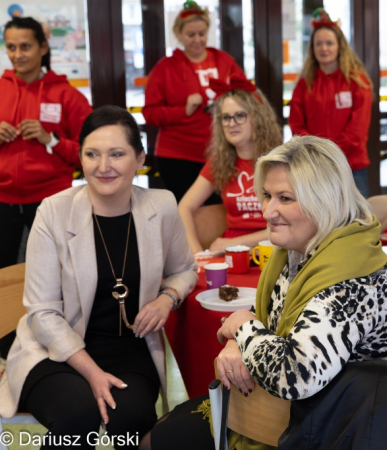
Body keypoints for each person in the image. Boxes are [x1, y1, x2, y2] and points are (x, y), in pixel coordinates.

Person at [144, 135, 387, 450]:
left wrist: (242, 326)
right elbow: (275, 319)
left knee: (158, 440)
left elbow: (294, 375)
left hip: (333, 430)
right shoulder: (301, 251)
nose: (267, 211)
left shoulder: (352, 278)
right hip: (287, 415)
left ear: (324, 200)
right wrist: (240, 340)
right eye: (267, 195)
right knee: (158, 434)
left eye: (285, 198)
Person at [0, 106, 198, 449]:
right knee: (77, 415)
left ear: (140, 158)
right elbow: (43, 313)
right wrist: (92, 374)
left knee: (131, 418)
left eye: (117, 154)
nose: (103, 166)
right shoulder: (53, 211)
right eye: (92, 154)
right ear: (80, 157)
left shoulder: (162, 205)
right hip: (56, 350)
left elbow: (184, 271)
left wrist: (168, 298)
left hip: (129, 349)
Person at [0, 16, 92, 269]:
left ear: (42, 48)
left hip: (52, 198)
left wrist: (50, 140)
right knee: (3, 273)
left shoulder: (67, 95)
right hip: (2, 199)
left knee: (58, 270)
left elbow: (89, 154)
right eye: (11, 47)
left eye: (25, 46)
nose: (17, 54)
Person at [143, 0, 246, 203]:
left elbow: (246, 97)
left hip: (220, 152)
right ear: (179, 35)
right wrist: (184, 110)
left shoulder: (224, 61)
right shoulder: (166, 68)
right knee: (187, 212)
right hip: (177, 156)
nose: (197, 40)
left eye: (202, 34)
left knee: (217, 211)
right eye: (191, 35)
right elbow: (150, 114)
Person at [178, 75, 282, 254]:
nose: (231, 124)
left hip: (273, 245)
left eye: (240, 116)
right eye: (226, 118)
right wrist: (197, 255)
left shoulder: (279, 161)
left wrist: (234, 243)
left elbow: (293, 221)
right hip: (233, 252)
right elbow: (184, 207)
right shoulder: (219, 163)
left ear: (258, 118)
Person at [288, 8, 373, 197]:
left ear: (339, 46)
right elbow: (296, 124)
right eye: (318, 44)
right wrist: (318, 153)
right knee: (320, 224)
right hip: (315, 167)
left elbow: (357, 129)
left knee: (358, 223)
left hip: (352, 166)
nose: (324, 48)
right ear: (312, 48)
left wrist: (330, 154)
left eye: (329, 43)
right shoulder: (304, 83)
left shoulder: (357, 81)